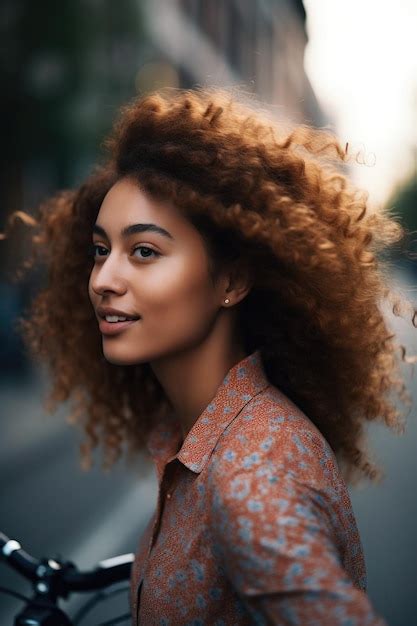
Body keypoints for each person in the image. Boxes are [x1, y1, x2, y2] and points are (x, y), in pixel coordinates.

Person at [3, 86, 415, 624]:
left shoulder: (253, 477)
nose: (103, 280)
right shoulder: (204, 432)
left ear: (232, 278)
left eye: (144, 251)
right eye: (101, 251)